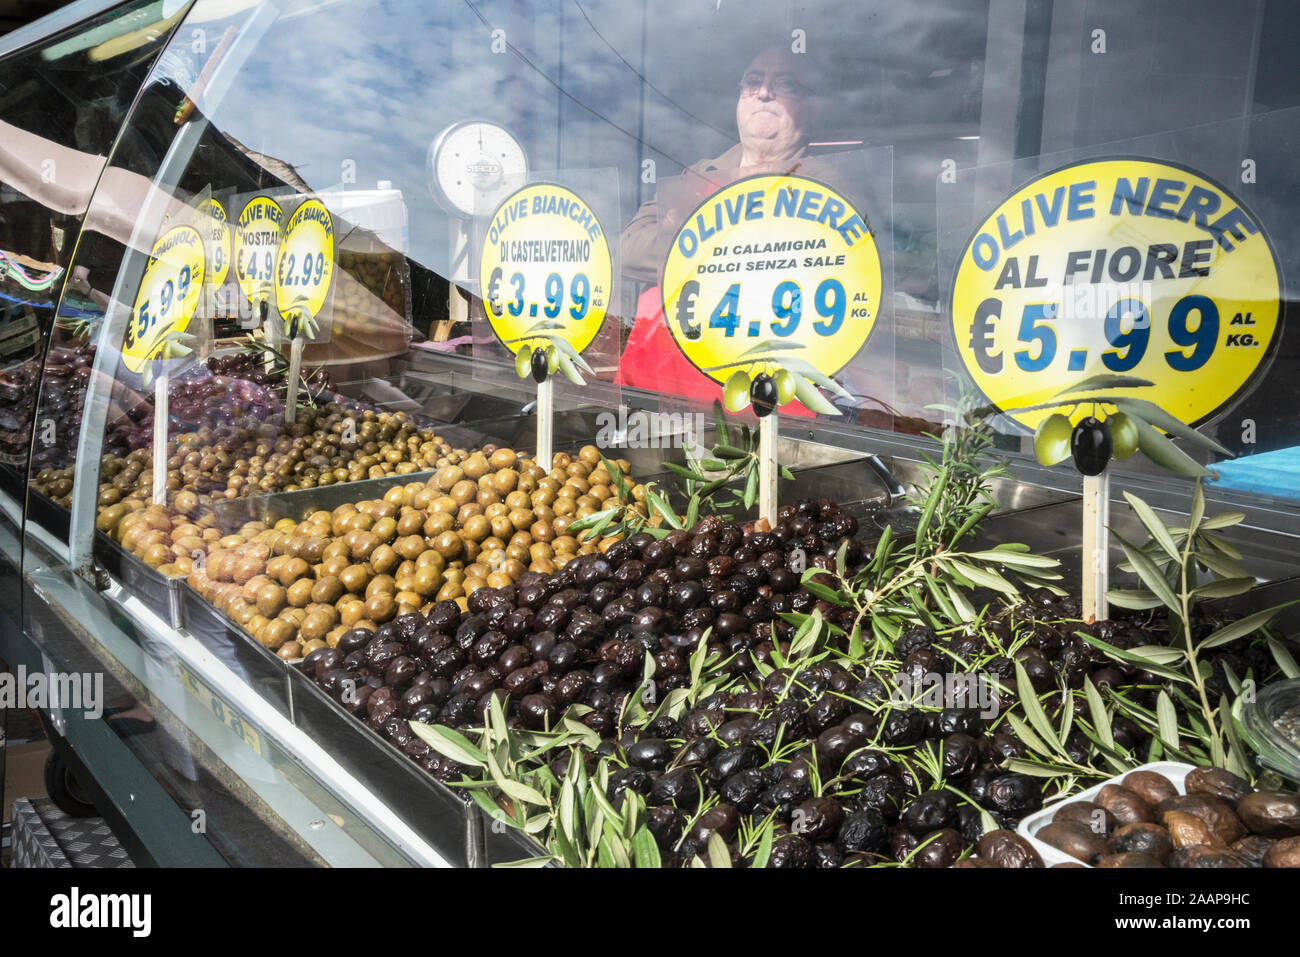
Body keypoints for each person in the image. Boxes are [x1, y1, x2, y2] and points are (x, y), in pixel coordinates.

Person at [615, 47, 820, 413]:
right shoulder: (698, 174)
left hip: (766, 393)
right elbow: (629, 249)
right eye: (752, 82)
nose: (763, 92)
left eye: (784, 83)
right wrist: (713, 251)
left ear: (811, 104)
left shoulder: (826, 186)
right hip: (662, 386)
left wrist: (691, 242)